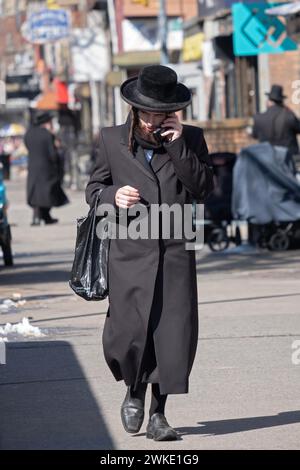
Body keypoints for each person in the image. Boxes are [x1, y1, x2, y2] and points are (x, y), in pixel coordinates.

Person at [85, 65, 214, 441]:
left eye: (162, 114)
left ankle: (159, 413)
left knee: (172, 332)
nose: (153, 122)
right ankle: (133, 391)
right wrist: (112, 196)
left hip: (175, 251)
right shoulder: (111, 139)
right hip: (128, 253)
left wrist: (177, 145)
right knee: (128, 330)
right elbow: (94, 189)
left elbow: (203, 187)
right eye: (148, 113)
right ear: (135, 108)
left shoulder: (191, 137)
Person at [24, 111, 69, 226]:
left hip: (33, 167)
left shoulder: (28, 134)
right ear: (46, 122)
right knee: (46, 193)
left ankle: (42, 217)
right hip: (46, 168)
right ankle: (39, 217)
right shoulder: (47, 134)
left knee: (36, 193)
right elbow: (52, 154)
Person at [253, 84, 300, 171]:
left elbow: (255, 135)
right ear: (281, 101)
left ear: (269, 101)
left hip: (267, 160)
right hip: (289, 160)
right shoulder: (289, 115)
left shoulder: (258, 118)